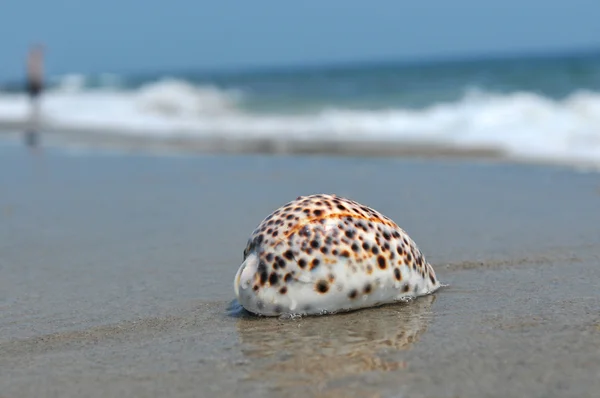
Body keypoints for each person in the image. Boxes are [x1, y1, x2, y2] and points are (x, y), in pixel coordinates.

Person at [24, 44, 45, 149]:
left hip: (35, 84)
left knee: (35, 103)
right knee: (34, 103)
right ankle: (33, 121)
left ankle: (34, 120)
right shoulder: (32, 63)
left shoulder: (34, 63)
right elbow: (33, 70)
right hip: (34, 84)